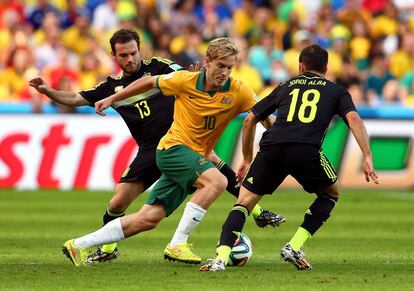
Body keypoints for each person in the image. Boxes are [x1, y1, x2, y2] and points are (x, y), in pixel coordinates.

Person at [30, 29, 284, 265]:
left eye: (133, 52)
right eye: (124, 55)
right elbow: (81, 97)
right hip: (166, 148)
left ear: (140, 50)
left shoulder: (170, 69)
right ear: (115, 56)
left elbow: (256, 112)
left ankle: (77, 245)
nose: (130, 59)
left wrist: (274, 138)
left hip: (187, 147)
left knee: (149, 218)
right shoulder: (121, 85)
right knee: (212, 180)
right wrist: (55, 92)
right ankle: (173, 244)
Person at [200, 44, 379, 272]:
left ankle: (221, 258)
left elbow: (249, 120)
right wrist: (367, 155)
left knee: (243, 203)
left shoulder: (286, 86)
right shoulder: (336, 91)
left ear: (301, 66)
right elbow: (353, 119)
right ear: (325, 68)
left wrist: (246, 159)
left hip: (272, 148)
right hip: (306, 150)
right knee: (331, 193)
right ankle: (294, 246)